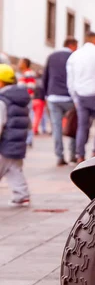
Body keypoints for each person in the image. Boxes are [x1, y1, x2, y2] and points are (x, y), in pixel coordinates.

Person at [67, 31, 95, 163]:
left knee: (82, 126)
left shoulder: (74, 55)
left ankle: (80, 155)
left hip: (81, 95)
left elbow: (71, 80)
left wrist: (74, 98)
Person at [43, 37, 78, 166]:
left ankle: (59, 156)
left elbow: (45, 76)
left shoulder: (51, 56)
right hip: (69, 97)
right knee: (73, 125)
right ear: (72, 45)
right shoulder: (74, 56)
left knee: (56, 127)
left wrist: (46, 94)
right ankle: (73, 155)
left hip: (53, 97)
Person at [0, 64, 31, 207]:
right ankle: (21, 195)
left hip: (5, 143)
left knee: (9, 168)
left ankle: (21, 195)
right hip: (18, 142)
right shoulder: (20, 98)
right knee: (14, 169)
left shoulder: (2, 101)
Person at [17, 58, 36, 148]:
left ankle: (29, 139)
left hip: (25, 100)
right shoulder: (24, 73)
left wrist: (25, 98)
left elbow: (31, 87)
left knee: (28, 118)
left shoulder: (28, 73)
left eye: (20, 62)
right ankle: (27, 139)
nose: (19, 63)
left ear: (25, 64)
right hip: (23, 99)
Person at [32, 70, 46, 135]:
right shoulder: (42, 83)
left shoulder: (34, 82)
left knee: (34, 116)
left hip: (33, 100)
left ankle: (35, 129)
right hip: (40, 100)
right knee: (38, 116)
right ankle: (34, 129)